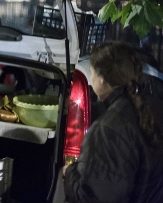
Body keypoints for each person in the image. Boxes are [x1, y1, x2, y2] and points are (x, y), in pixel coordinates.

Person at [63, 41, 163, 202]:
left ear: (102, 79)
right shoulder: (153, 106)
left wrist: (70, 173)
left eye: (92, 73)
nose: (92, 78)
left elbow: (93, 196)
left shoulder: (108, 130)